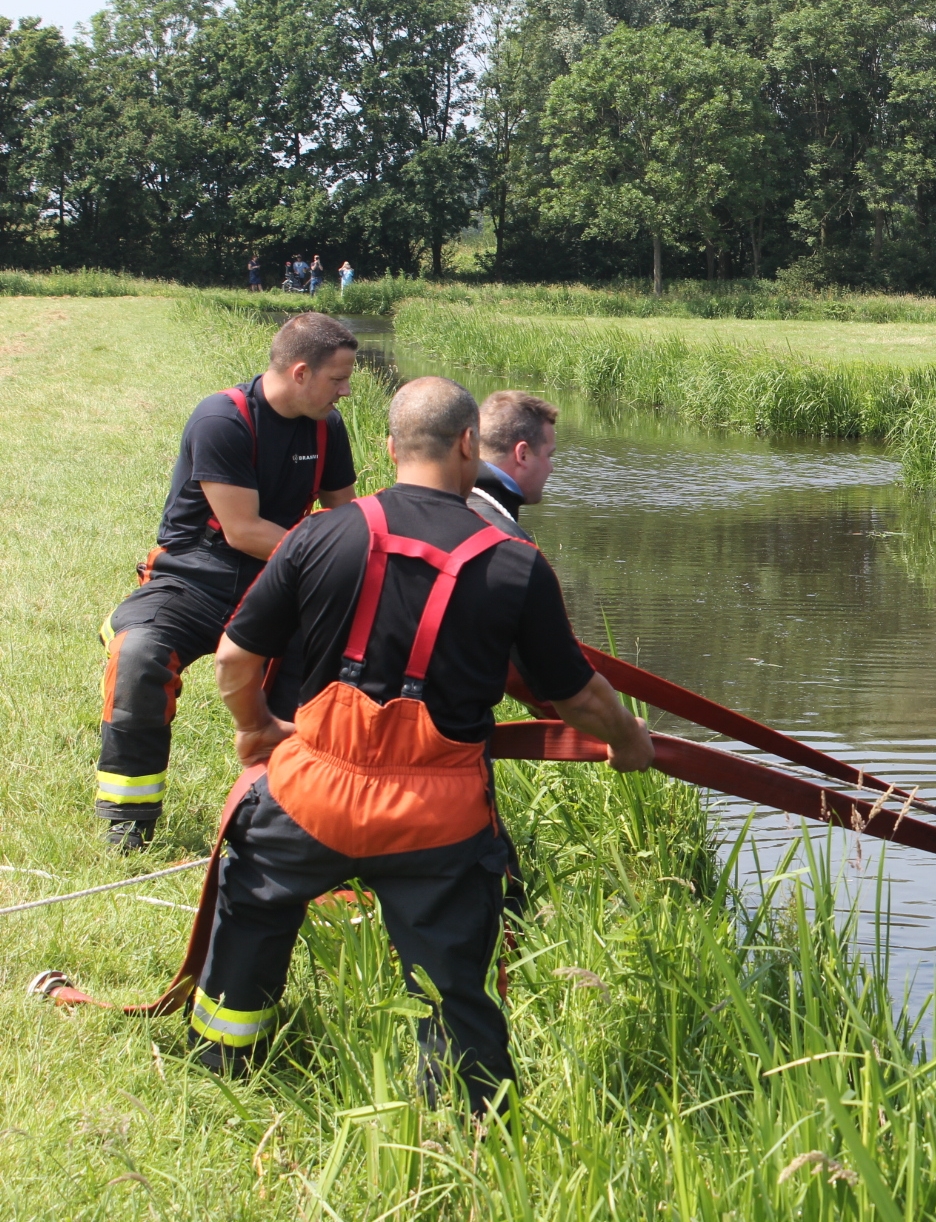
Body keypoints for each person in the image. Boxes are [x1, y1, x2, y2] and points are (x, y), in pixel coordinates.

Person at [198, 376, 653, 1113]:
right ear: (471, 444)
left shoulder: (318, 533)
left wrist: (256, 728)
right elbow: (575, 694)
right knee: (452, 985)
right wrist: (630, 740)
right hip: (436, 819)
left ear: (388, 447)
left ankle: (224, 1064)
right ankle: (467, 1126)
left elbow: (234, 660)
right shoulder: (515, 562)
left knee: (250, 911)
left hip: (311, 792)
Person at [95, 314, 359, 850]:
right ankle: (129, 821)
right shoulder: (224, 418)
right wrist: (325, 556)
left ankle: (286, 814)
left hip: (276, 583)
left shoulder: (327, 426)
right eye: (338, 378)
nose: (347, 391)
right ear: (302, 372)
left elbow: (343, 518)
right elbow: (242, 531)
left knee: (325, 668)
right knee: (139, 657)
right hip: (194, 578)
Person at [468, 390, 558, 543]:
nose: (551, 468)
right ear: (522, 454)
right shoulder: (511, 544)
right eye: (548, 456)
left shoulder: (437, 507)